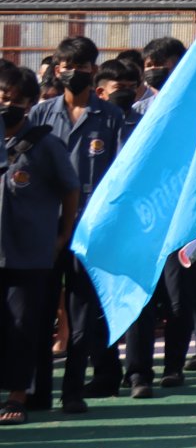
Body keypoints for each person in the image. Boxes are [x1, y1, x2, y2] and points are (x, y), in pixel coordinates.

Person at [28, 36, 127, 409]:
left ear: (93, 70)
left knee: (83, 313)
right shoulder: (40, 115)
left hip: (91, 230)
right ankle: (38, 390)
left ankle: (72, 390)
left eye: (81, 66)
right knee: (41, 311)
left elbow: (121, 176)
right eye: (66, 66)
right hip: (45, 228)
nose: (73, 73)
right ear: (57, 70)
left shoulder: (111, 117)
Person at [0, 62, 80, 426]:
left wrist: (63, 234)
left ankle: (18, 395)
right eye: (3, 96)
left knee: (23, 325)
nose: (7, 104)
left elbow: (70, 189)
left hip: (29, 253)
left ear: (31, 103)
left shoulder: (45, 144)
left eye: (16, 99)